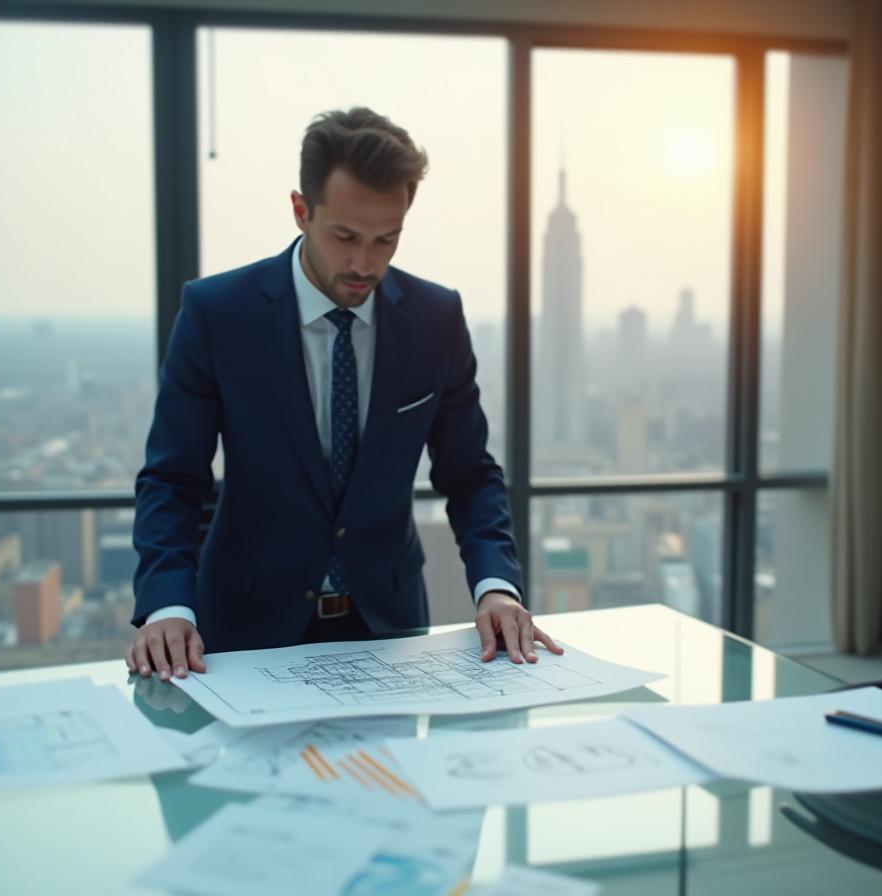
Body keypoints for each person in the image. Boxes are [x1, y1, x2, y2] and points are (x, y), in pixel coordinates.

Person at [126, 107, 562, 682]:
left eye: (386, 239)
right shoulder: (218, 315)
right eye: (345, 237)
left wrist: (497, 587)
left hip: (391, 633)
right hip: (242, 634)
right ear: (300, 211)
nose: (364, 263)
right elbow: (172, 478)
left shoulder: (436, 319)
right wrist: (167, 606)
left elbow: (471, 475)